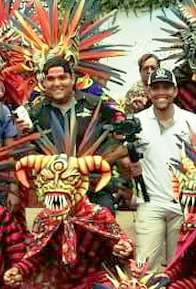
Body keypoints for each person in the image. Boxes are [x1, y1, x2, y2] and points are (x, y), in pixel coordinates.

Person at [121, 67, 196, 268]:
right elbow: (123, 158)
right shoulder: (137, 122)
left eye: (167, 87)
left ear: (175, 91)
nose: (162, 92)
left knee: (179, 268)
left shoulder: (192, 121)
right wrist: (128, 166)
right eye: (156, 87)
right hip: (150, 203)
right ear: (149, 92)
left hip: (185, 205)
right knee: (144, 266)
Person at [18, 61, 126, 208]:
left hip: (95, 187)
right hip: (55, 190)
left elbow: (119, 131)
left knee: (103, 226)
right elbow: (27, 149)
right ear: (43, 82)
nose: (57, 83)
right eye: (51, 79)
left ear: (72, 79)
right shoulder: (35, 112)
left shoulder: (95, 104)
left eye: (62, 77)